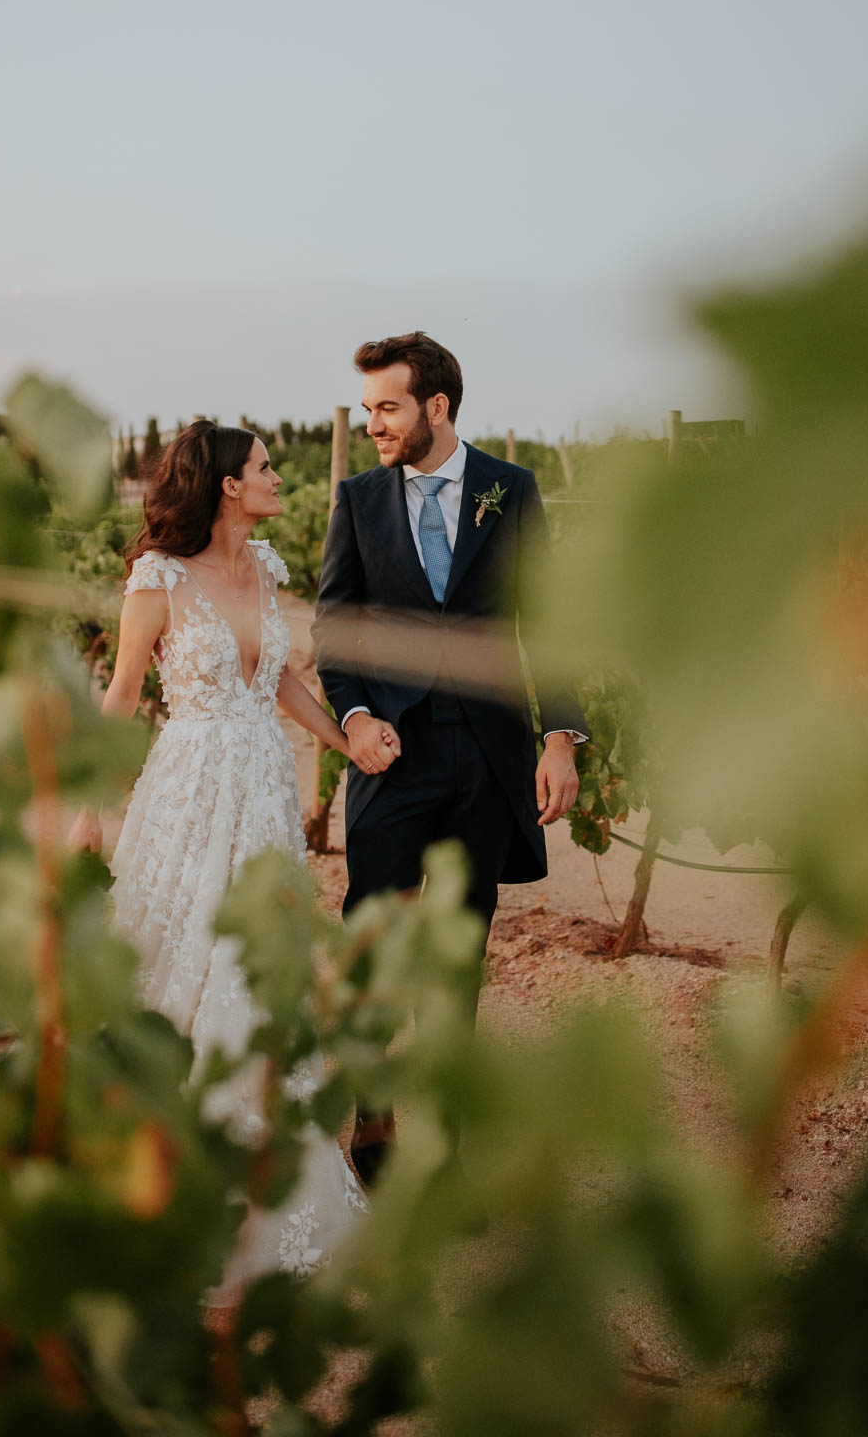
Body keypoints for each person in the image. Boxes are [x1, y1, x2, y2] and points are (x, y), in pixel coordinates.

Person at [67, 420, 366, 1309]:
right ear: (227, 485)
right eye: (266, 467)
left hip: (264, 793)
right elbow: (121, 697)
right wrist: (89, 808)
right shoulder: (155, 581)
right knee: (177, 970)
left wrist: (341, 738)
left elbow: (276, 680)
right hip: (189, 794)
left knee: (257, 979)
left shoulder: (266, 569)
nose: (279, 476)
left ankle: (261, 1201)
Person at [312, 332, 587, 1184]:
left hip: (487, 754)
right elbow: (334, 624)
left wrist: (559, 737)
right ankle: (372, 1111)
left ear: (436, 407)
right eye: (365, 411)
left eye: (386, 408)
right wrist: (354, 717)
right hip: (390, 753)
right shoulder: (358, 499)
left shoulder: (511, 489)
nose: (372, 426)